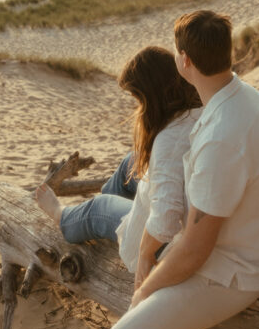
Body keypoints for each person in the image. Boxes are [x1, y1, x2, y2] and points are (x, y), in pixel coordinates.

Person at [98, 10, 259, 329]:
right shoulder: (243, 96)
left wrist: (145, 288)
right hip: (244, 252)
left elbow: (196, 249)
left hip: (234, 272)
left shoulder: (222, 133)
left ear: (184, 61)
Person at [36, 45, 201, 287]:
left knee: (100, 207)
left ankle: (65, 217)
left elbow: (166, 220)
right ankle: (110, 214)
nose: (137, 108)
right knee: (131, 161)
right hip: (182, 205)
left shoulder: (168, 141)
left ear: (151, 97)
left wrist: (145, 253)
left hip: (164, 242)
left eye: (138, 99)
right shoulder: (195, 109)